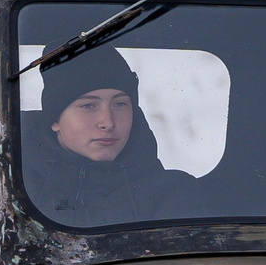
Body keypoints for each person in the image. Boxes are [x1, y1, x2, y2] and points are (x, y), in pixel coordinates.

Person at [21, 48, 183, 226]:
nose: (108, 122)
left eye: (120, 104)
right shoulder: (12, 187)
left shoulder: (170, 194)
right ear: (55, 120)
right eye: (89, 106)